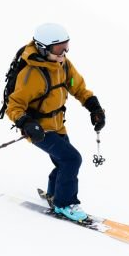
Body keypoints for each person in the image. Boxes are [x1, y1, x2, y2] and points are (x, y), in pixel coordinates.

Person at [6, 23, 105, 221]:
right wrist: (26, 123)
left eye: (66, 46)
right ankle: (65, 203)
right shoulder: (31, 74)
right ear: (44, 48)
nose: (64, 52)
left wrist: (94, 107)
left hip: (58, 124)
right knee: (72, 159)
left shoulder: (63, 65)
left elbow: (77, 87)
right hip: (39, 130)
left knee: (63, 161)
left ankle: (55, 194)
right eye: (59, 48)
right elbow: (14, 105)